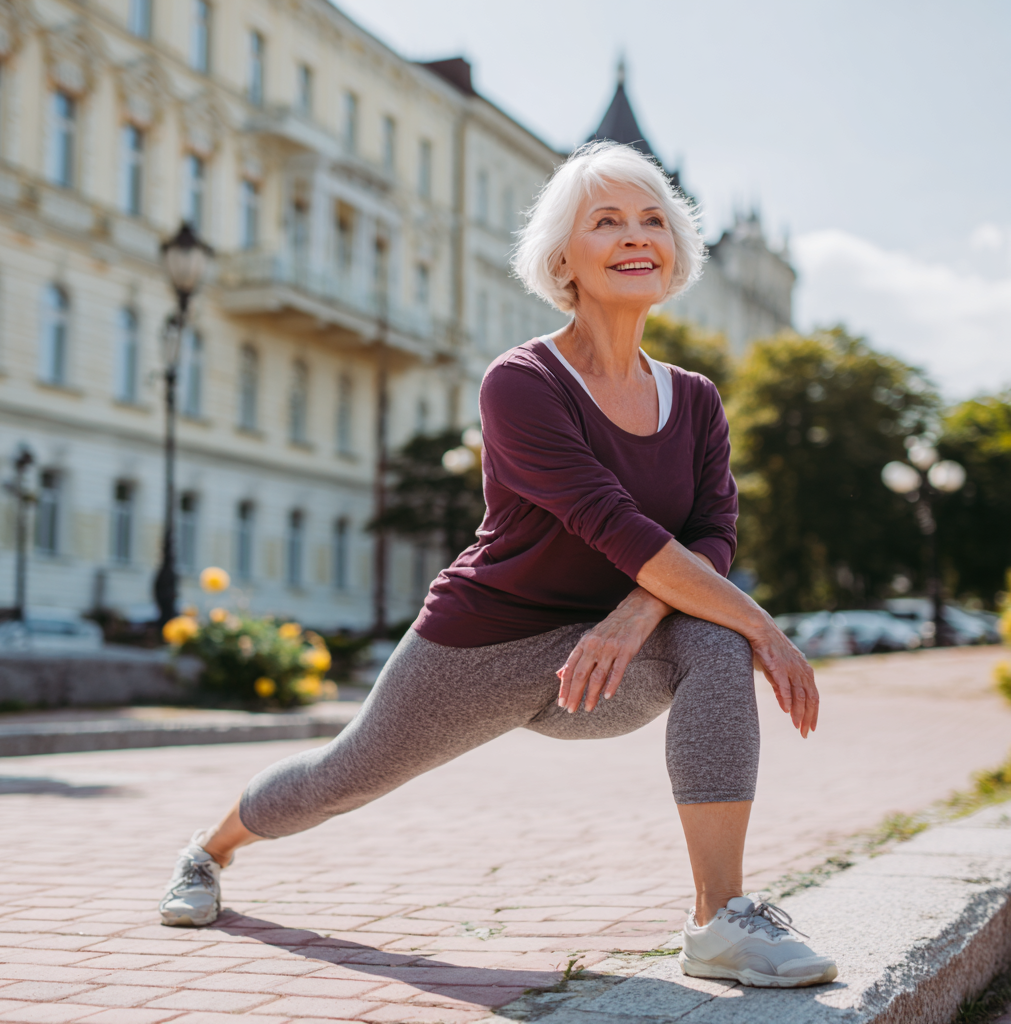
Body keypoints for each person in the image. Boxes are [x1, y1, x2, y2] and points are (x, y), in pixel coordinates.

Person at [159, 140, 836, 989]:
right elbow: (611, 525)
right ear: (564, 259)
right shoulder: (521, 382)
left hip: (605, 661)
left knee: (716, 642)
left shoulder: (695, 398)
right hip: (482, 643)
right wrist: (768, 626)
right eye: (608, 221)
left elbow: (712, 534)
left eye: (654, 219)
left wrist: (640, 619)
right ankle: (206, 853)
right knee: (340, 778)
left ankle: (720, 918)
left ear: (677, 251)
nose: (638, 235)